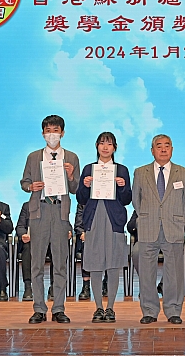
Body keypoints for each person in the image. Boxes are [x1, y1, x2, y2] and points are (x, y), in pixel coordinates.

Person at [20, 115, 80, 324]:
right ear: (43, 133)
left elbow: (76, 189)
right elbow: (24, 182)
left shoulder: (71, 157)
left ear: (62, 133)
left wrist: (71, 176)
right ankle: (39, 308)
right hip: (39, 211)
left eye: (55, 130)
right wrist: (30, 186)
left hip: (60, 212)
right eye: (48, 130)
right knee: (37, 263)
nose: (52, 134)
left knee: (60, 263)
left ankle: (59, 308)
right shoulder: (33, 157)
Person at [132, 134, 185, 325]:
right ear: (152, 150)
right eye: (159, 146)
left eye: (167, 145)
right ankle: (149, 310)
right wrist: (146, 217)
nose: (163, 149)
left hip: (173, 227)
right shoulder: (140, 172)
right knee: (146, 272)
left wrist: (179, 220)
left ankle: (173, 310)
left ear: (172, 149)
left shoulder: (183, 173)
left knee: (174, 272)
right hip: (148, 226)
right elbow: (136, 200)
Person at [76, 132, 132, 322]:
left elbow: (127, 199)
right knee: (95, 264)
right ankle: (98, 307)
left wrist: (122, 186)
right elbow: (81, 198)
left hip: (114, 221)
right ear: (97, 146)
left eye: (109, 144)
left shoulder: (121, 170)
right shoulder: (89, 168)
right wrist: (85, 186)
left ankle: (111, 308)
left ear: (115, 147)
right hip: (93, 220)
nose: (105, 147)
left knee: (114, 264)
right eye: (102, 143)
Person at [16, 202, 62, 301]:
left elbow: (65, 223)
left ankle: (54, 286)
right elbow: (20, 226)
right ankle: (28, 286)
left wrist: (68, 231)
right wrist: (23, 235)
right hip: (33, 242)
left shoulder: (58, 205)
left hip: (50, 242)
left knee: (57, 248)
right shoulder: (27, 206)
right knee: (27, 249)